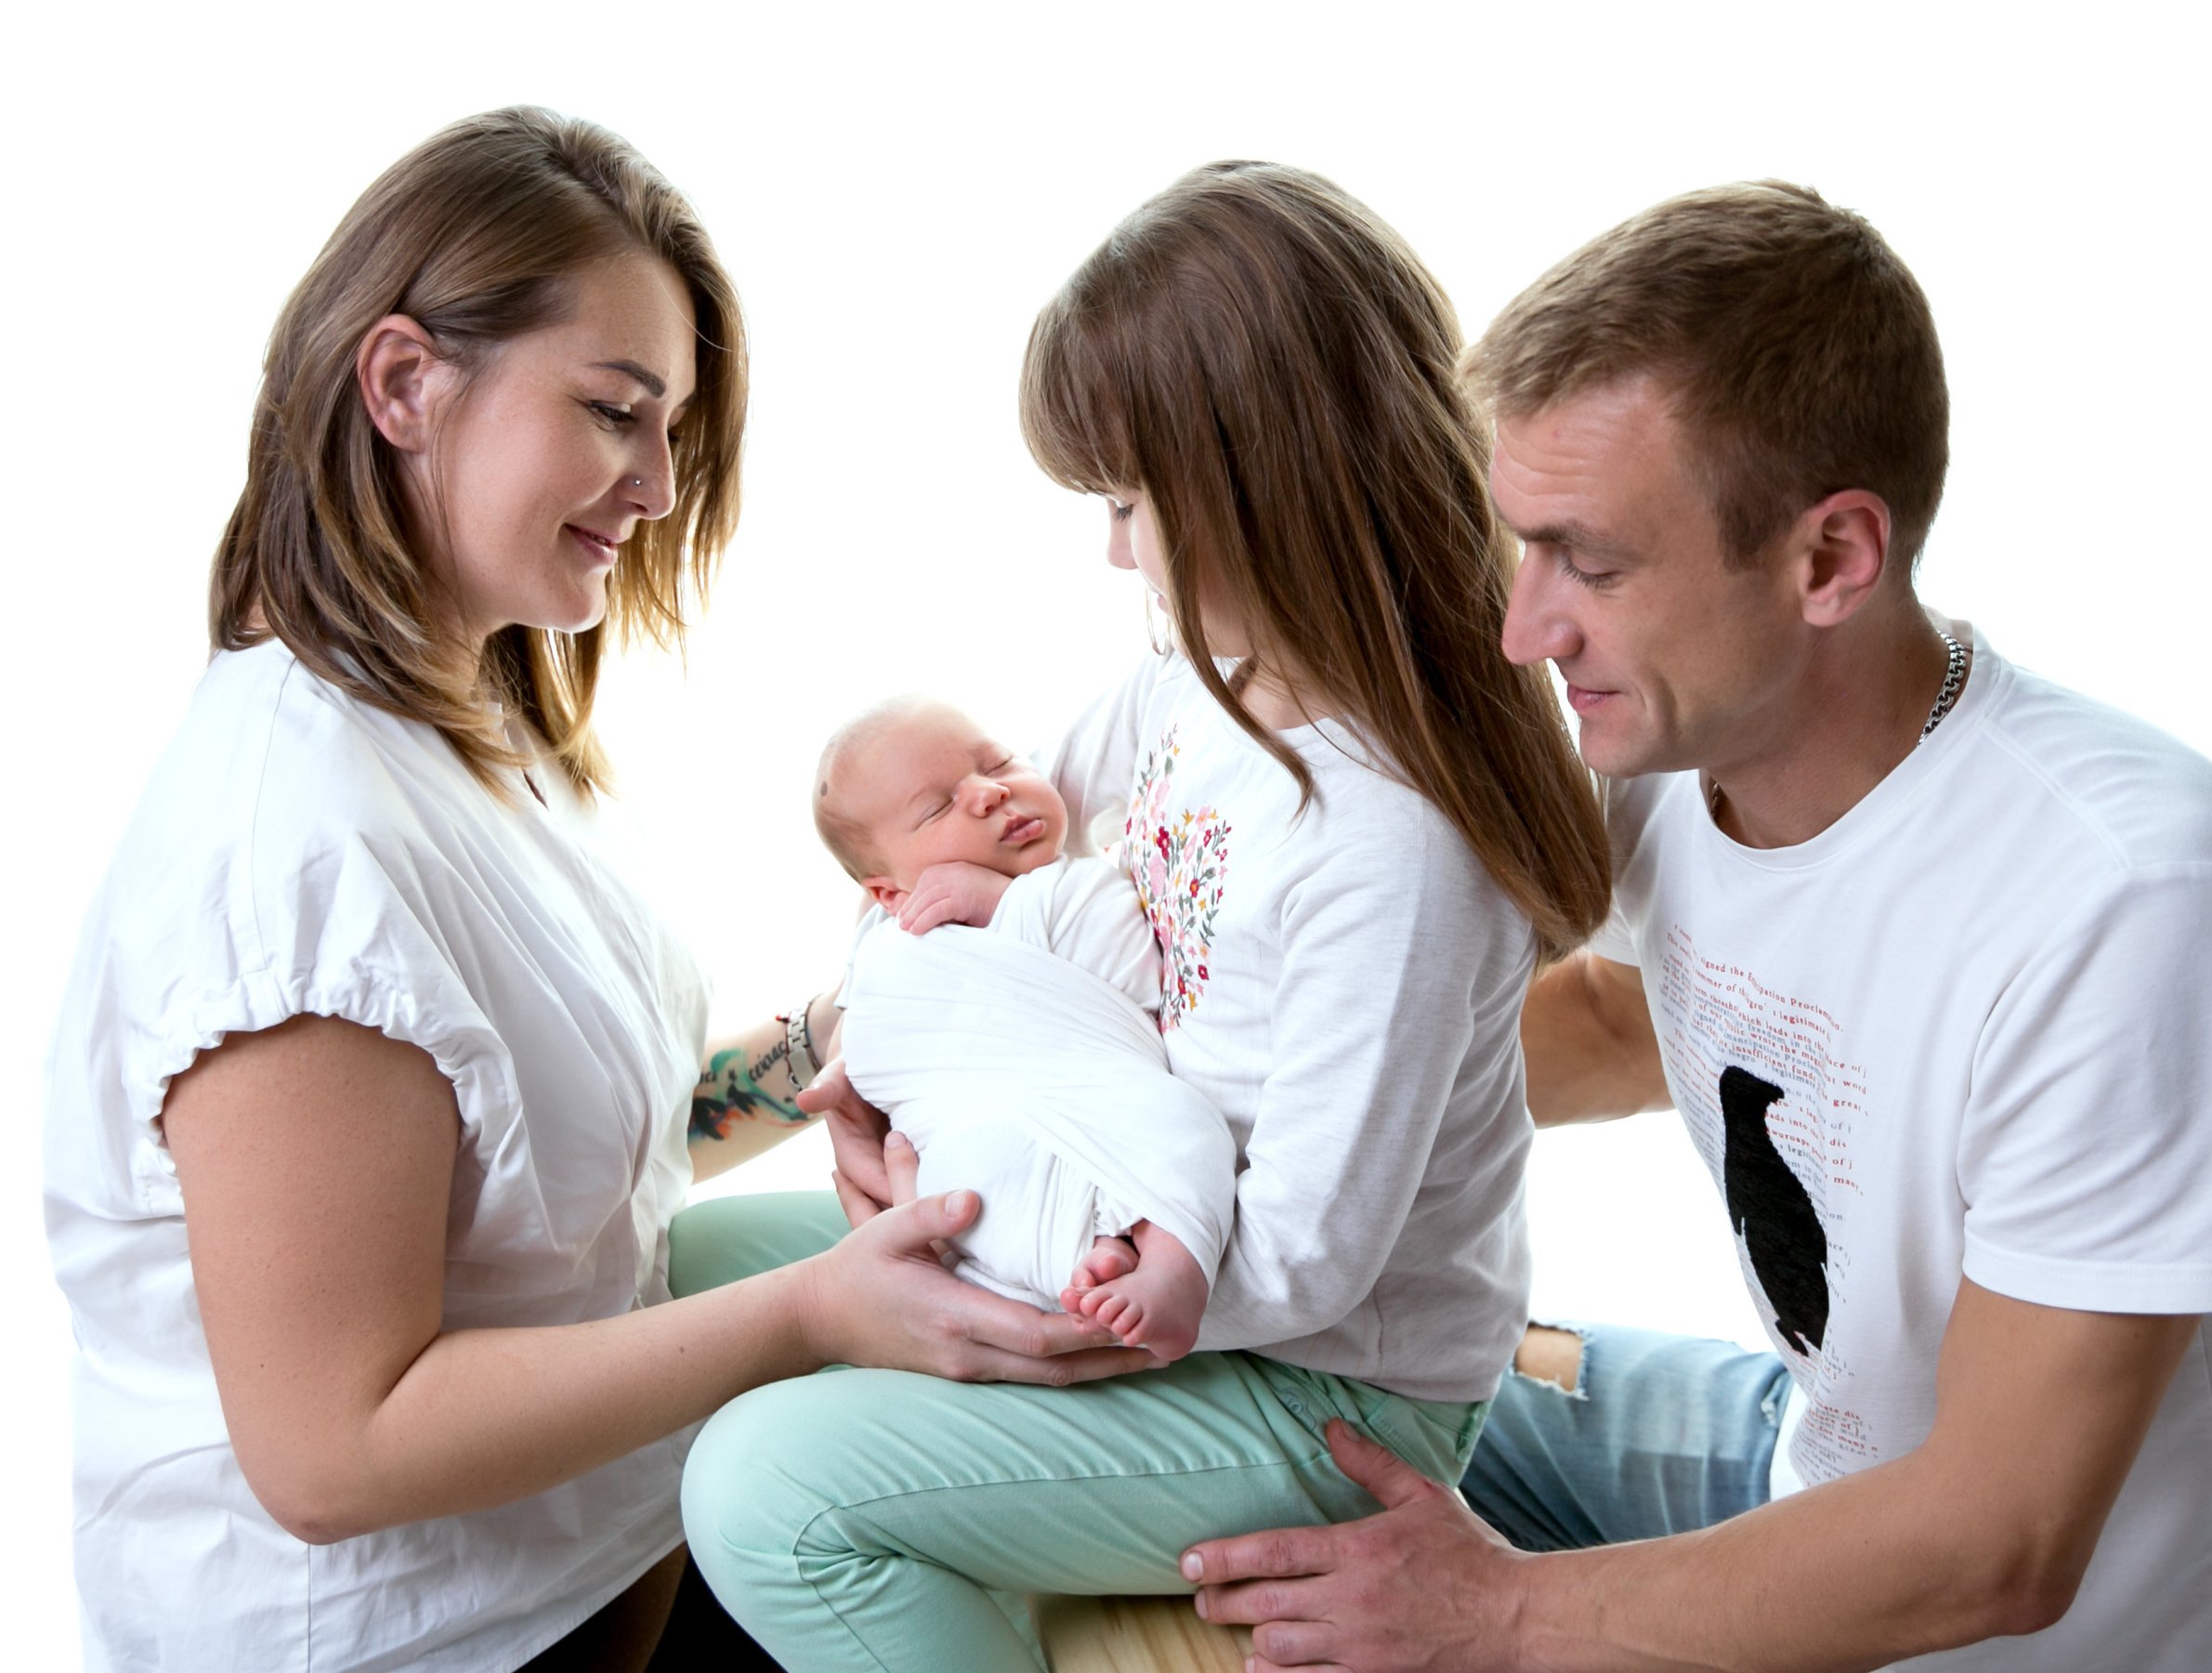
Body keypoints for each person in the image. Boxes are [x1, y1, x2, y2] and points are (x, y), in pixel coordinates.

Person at [1177, 179, 2212, 1672]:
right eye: (1522, 547)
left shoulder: (2129, 907)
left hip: (2010, 1629)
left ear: (1830, 559)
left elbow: (1997, 1542)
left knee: (1313, 1571)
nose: (1525, 628)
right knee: (1273, 1422)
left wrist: (1494, 1613)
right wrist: (1165, 1138)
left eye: (1592, 563)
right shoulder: (1678, 760)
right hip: (1797, 1452)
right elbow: (1619, 1015)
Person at [41, 107, 1142, 1673]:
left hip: (604, 1564)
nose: (658, 485)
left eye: (674, 429)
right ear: (407, 383)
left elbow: (548, 1173)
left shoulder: (475, 728)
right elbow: (333, 1449)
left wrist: (875, 1021)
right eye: (617, 412)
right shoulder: (290, 856)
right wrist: (813, 1311)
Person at [667, 160, 1611, 1671]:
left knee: (766, 1491)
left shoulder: (1394, 849)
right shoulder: (1187, 690)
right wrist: (885, 1065)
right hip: (1091, 1218)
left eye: (1126, 501)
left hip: (1310, 1384)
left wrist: (1013, 1298)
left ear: (1258, 491)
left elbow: (1307, 1259)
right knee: (686, 1284)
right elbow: (993, 870)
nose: (1113, 549)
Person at [814, 693, 1237, 1358]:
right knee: (964, 1185)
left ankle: (1167, 1268)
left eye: (1000, 761)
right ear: (890, 895)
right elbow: (879, 1042)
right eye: (938, 807)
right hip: (985, 1133)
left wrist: (1007, 904)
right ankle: (1079, 1260)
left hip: (1105, 1100)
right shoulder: (892, 947)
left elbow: (1134, 973)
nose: (987, 792)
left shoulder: (1075, 885)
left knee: (1184, 1131)